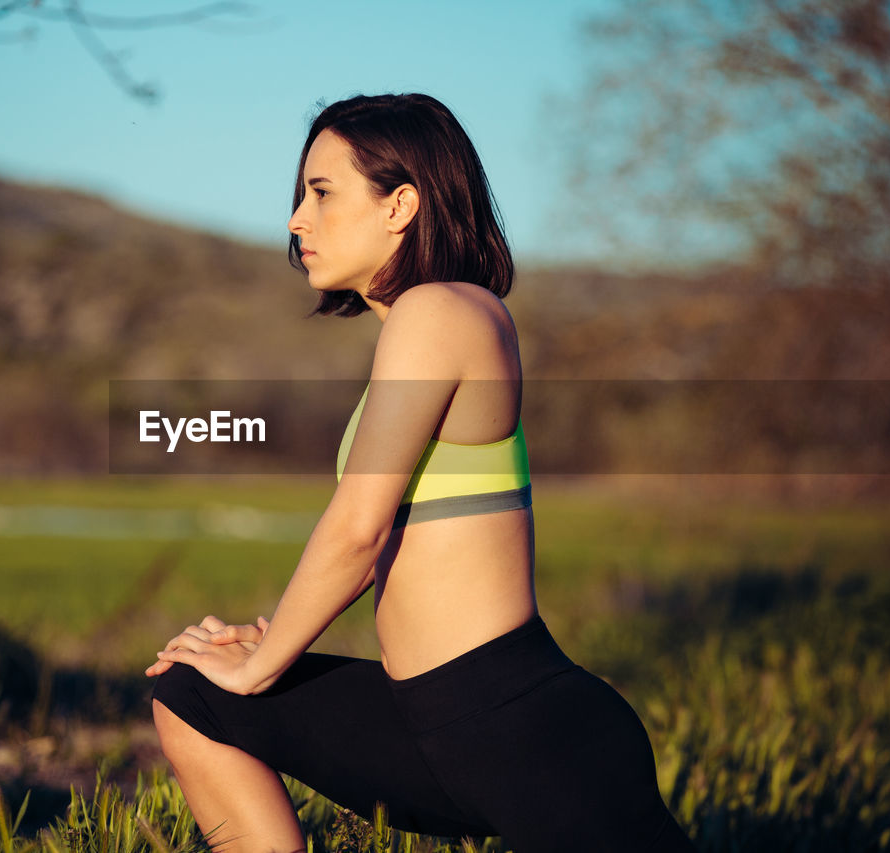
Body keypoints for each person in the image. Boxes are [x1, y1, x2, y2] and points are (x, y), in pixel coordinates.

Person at [145, 93, 695, 853]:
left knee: (223, 687)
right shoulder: (421, 331)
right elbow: (403, 542)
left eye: (322, 192)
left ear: (401, 203)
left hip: (527, 733)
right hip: (436, 725)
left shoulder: (442, 312)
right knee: (189, 691)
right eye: (300, 195)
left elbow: (358, 530)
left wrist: (264, 666)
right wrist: (263, 646)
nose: (295, 220)